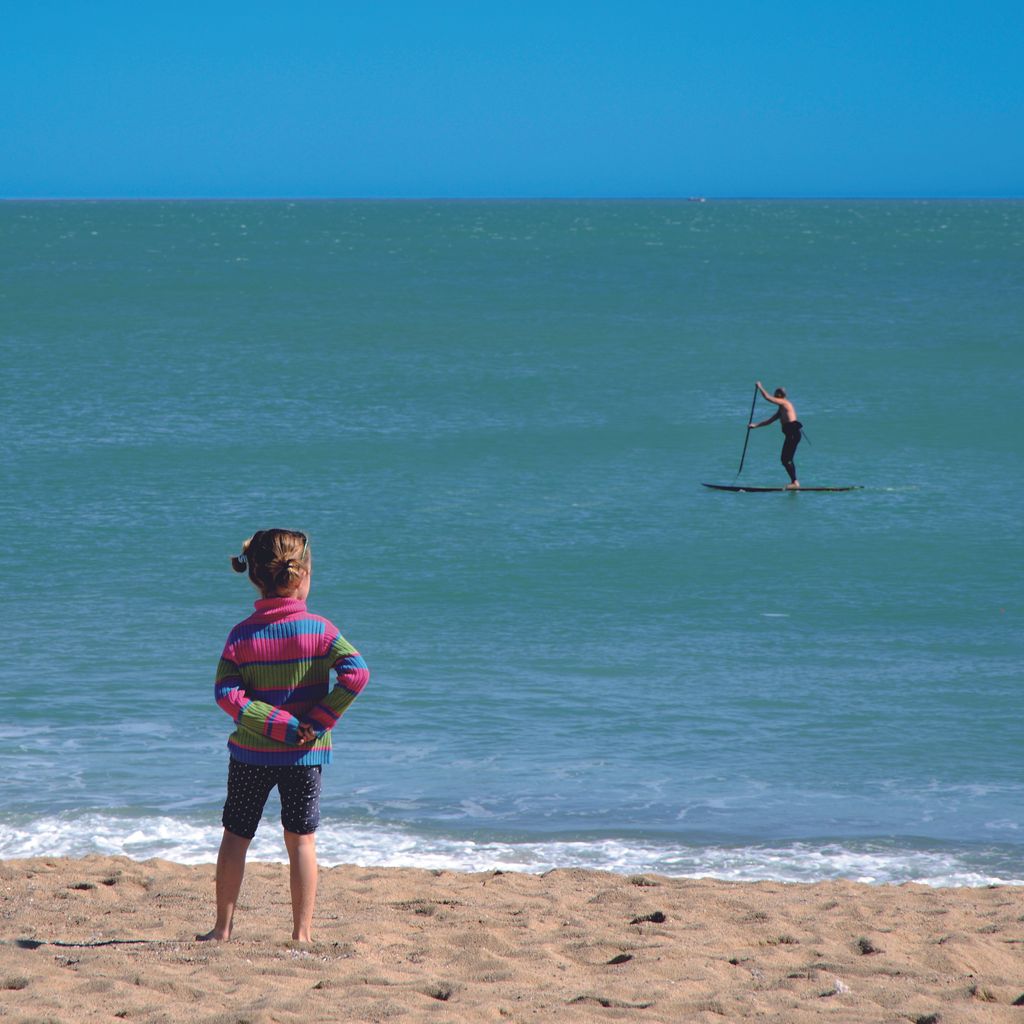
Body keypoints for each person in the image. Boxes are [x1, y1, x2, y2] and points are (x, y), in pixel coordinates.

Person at [198, 529, 369, 943]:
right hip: (304, 757)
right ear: (303, 574)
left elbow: (227, 695)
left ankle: (222, 929)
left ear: (255, 577)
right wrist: (315, 721)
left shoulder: (241, 635)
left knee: (236, 837)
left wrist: (275, 724)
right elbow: (357, 673)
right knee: (301, 843)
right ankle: (302, 934)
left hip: (251, 754)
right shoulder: (322, 631)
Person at [747, 381, 803, 488]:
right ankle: (794, 481)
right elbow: (769, 421)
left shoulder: (785, 403)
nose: (774, 397)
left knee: (786, 459)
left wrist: (760, 387)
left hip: (793, 434)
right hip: (791, 435)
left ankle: (795, 483)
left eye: (776, 395)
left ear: (780, 396)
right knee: (785, 459)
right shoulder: (781, 410)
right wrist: (755, 425)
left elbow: (767, 397)